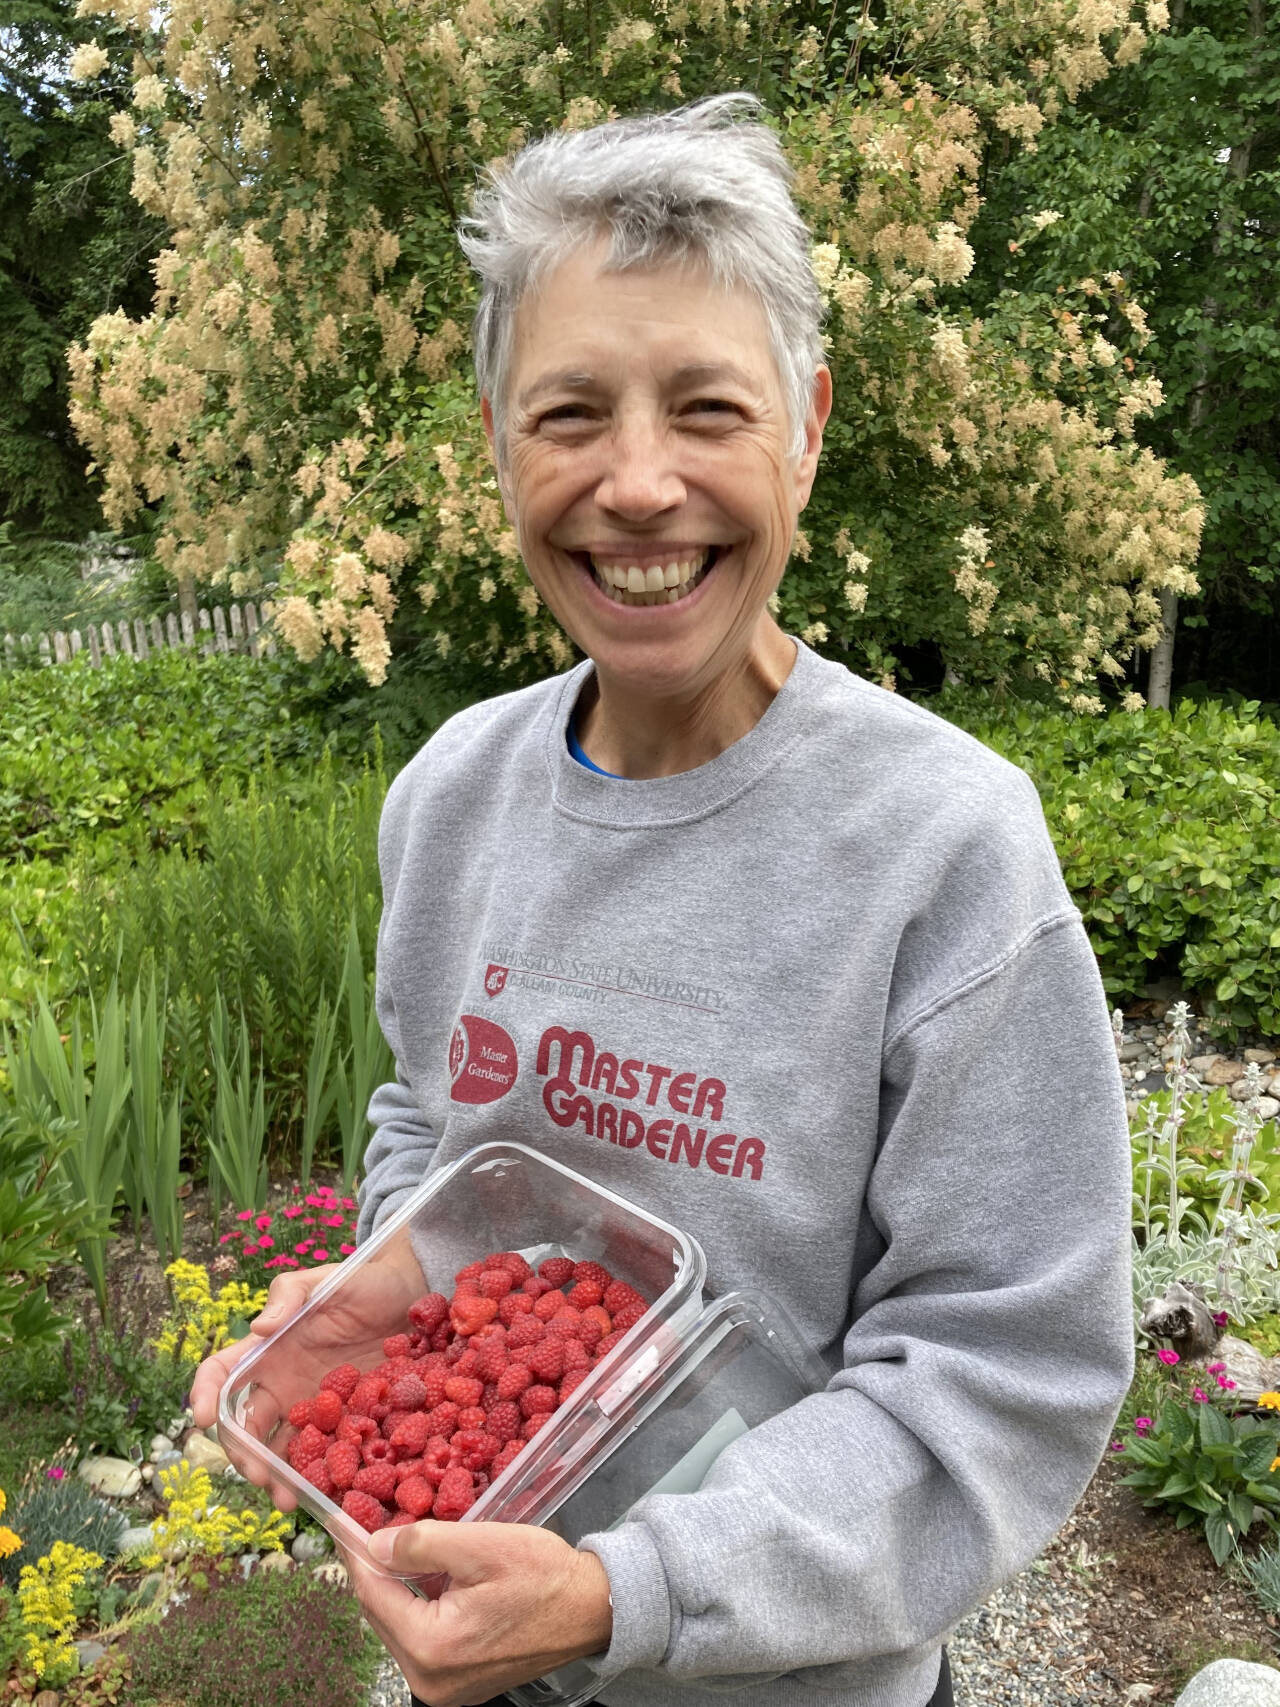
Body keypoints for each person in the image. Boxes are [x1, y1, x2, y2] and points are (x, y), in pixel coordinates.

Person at [193, 93, 1133, 1707]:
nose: (638, 484)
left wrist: (628, 1590)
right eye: (569, 415)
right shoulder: (453, 797)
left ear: (808, 427)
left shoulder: (945, 849)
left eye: (707, 406)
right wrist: (392, 1288)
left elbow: (1008, 1371)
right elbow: (430, 1120)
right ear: (496, 443)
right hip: (484, 1642)